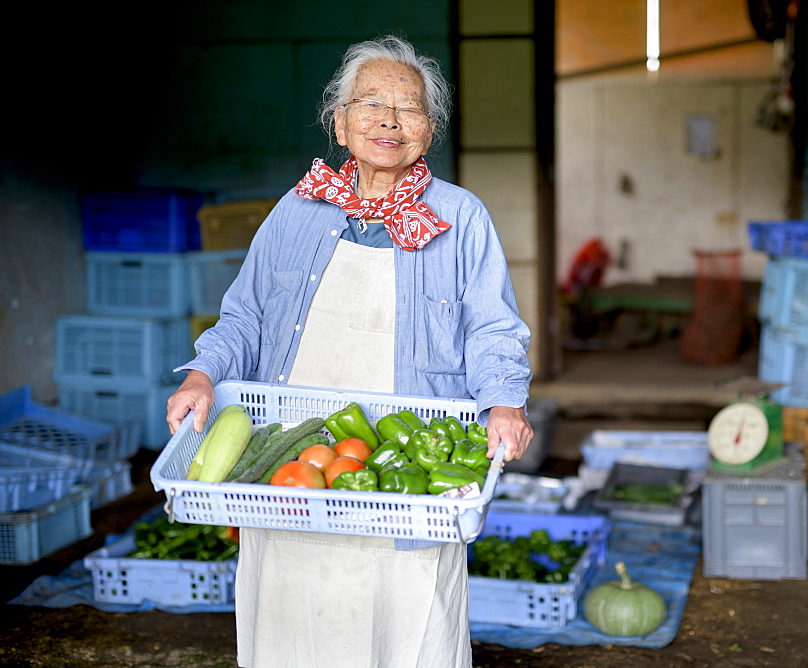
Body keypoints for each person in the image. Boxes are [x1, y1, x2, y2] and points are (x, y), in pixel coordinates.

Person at [165, 34, 534, 668]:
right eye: (370, 103)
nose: (389, 121)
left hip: (403, 465)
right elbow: (244, 315)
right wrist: (203, 374)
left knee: (409, 624)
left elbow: (492, 328)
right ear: (340, 123)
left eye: (409, 108)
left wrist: (504, 402)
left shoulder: (461, 217)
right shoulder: (296, 212)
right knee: (297, 624)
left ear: (430, 129)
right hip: (299, 457)